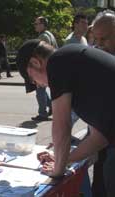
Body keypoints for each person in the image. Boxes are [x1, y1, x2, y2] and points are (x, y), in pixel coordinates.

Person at [16, 39, 115, 197]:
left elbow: (61, 125)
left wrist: (57, 171)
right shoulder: (74, 67)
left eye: (32, 79)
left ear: (35, 62)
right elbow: (99, 137)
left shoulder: (57, 62)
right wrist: (62, 159)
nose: (39, 85)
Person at [90, 10, 115, 197]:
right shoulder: (101, 61)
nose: (99, 46)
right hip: (103, 148)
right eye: (95, 40)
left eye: (104, 39)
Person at [32, 16, 57, 121]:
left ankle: (42, 114)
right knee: (42, 89)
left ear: (42, 24)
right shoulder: (50, 34)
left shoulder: (43, 36)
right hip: (52, 66)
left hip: (44, 67)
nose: (35, 25)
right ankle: (52, 107)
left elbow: (41, 55)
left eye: (36, 23)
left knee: (40, 90)